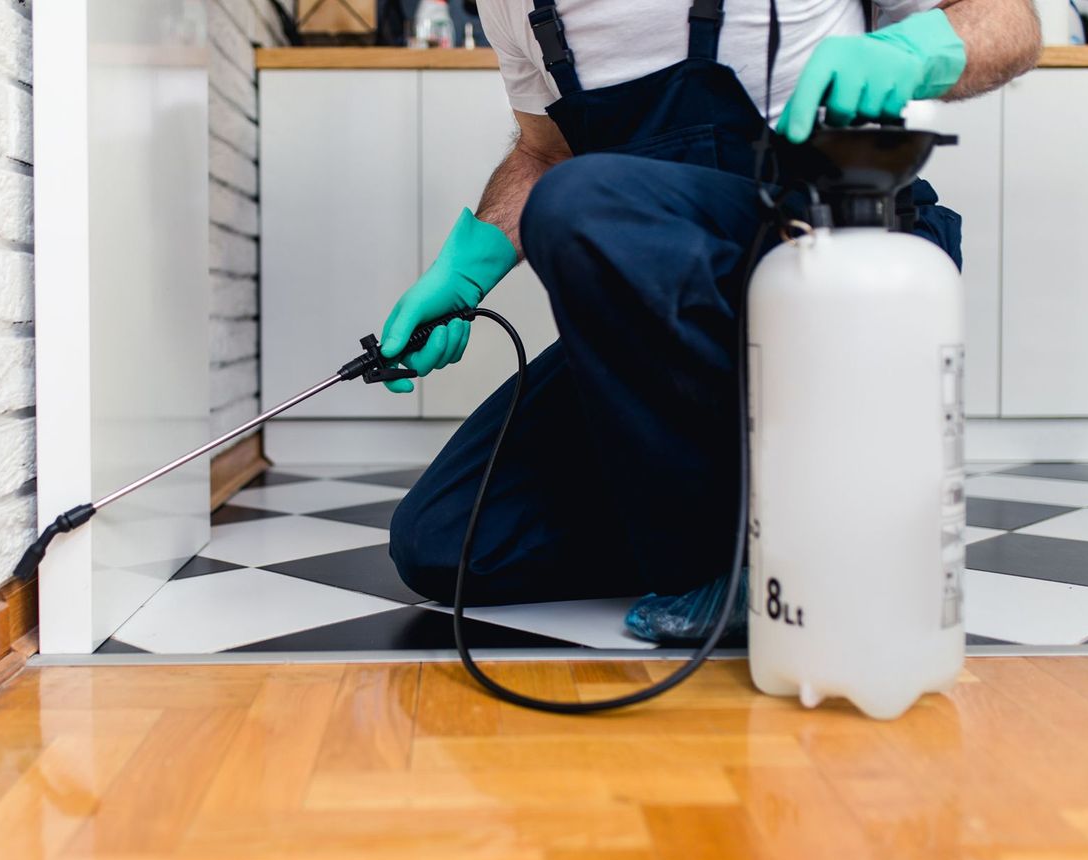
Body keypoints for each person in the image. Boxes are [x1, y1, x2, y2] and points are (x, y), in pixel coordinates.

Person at [380, 0, 1042, 643]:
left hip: (830, 259)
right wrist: (468, 269)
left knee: (579, 203)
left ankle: (715, 569)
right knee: (446, 540)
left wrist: (910, 51)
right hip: (660, 309)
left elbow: (1010, 20)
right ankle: (776, 527)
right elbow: (544, 154)